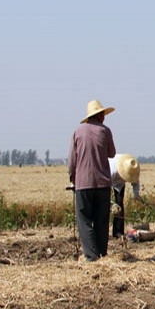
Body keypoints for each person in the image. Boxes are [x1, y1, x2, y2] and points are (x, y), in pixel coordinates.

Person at [68, 100, 117, 261]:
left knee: (84, 220)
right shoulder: (105, 131)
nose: (104, 117)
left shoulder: (77, 131)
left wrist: (72, 178)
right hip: (103, 183)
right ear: (99, 115)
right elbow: (111, 153)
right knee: (101, 221)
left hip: (83, 184)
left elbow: (72, 160)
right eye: (103, 114)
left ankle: (91, 255)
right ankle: (101, 252)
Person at [109, 153, 142, 238]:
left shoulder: (133, 168)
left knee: (120, 205)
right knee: (106, 207)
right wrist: (111, 203)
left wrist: (136, 194)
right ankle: (103, 232)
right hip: (106, 181)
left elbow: (135, 182)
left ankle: (118, 232)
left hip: (119, 184)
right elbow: (104, 185)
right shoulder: (112, 170)